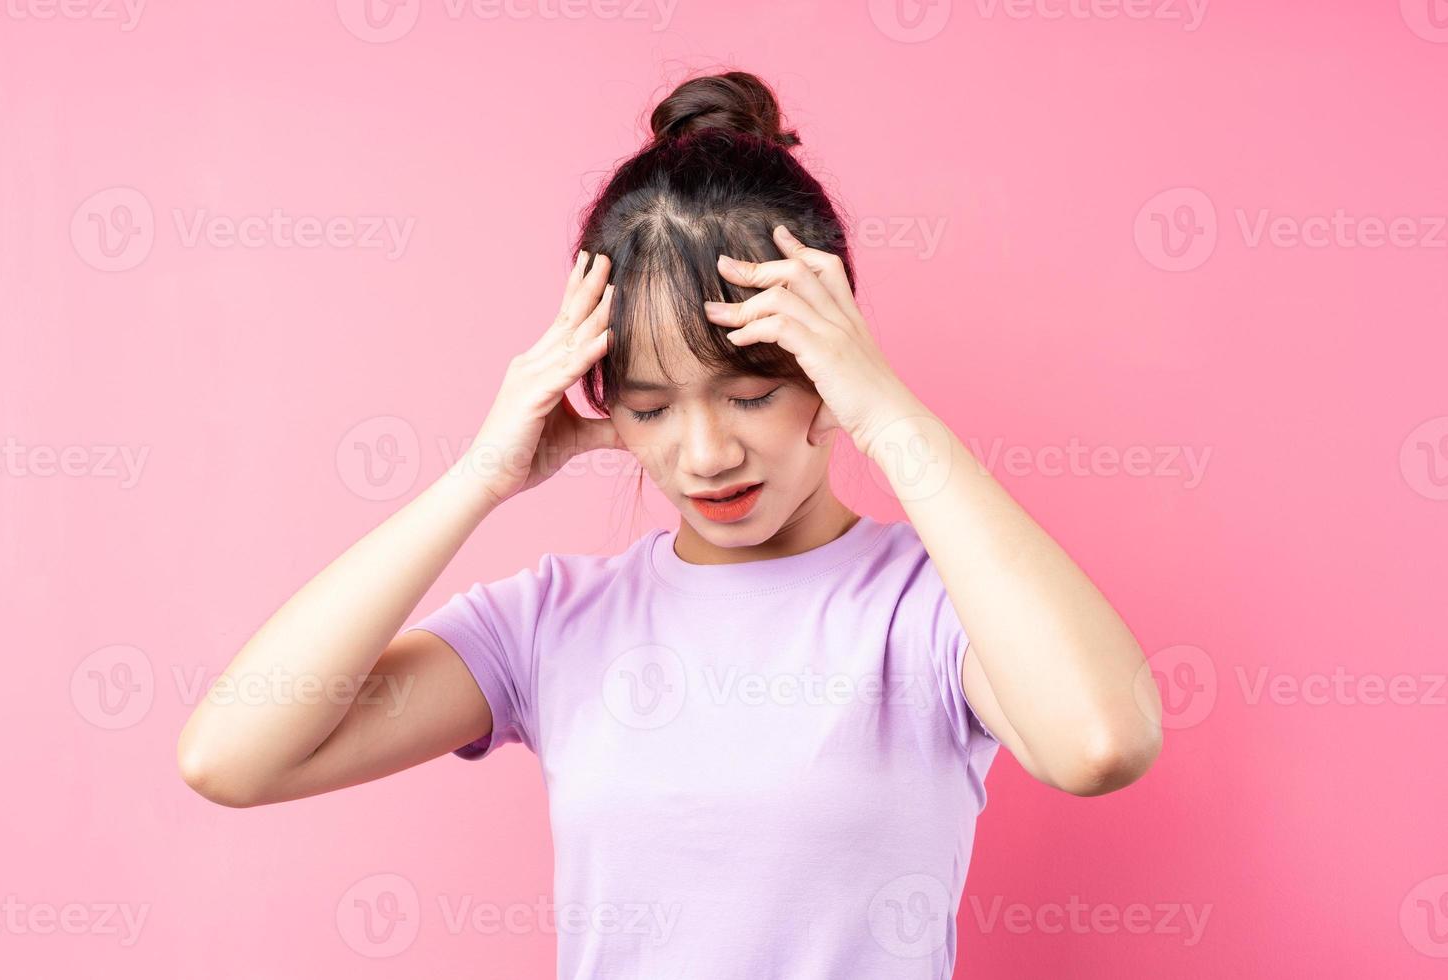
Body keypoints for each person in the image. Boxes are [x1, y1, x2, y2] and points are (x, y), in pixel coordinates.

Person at [177, 69, 1163, 978]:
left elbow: (1098, 739)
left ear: (826, 362)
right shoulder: (554, 621)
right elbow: (233, 755)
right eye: (649, 407)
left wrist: (890, 410)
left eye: (747, 394)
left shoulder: (928, 609)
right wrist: (478, 478)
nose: (702, 455)